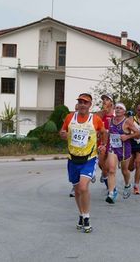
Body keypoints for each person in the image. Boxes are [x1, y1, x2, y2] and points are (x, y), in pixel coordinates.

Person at [60, 93, 107, 233]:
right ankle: (81, 214)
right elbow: (63, 131)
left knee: (83, 186)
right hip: (72, 158)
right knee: (77, 189)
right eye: (80, 102)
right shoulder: (70, 117)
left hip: (89, 158)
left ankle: (86, 217)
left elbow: (104, 132)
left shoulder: (96, 119)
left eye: (85, 102)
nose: (82, 104)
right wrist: (62, 133)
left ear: (89, 105)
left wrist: (103, 144)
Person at [106, 102, 140, 204]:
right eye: (116, 108)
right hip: (113, 148)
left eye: (120, 108)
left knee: (125, 171)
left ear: (124, 111)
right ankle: (111, 193)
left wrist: (128, 136)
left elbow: (138, 134)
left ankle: (127, 185)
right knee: (111, 170)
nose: (118, 110)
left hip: (125, 149)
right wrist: (104, 144)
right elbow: (109, 134)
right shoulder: (111, 121)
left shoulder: (128, 122)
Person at [95, 94, 115, 189]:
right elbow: (94, 126)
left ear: (111, 102)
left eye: (107, 99)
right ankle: (104, 175)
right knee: (101, 164)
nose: (104, 101)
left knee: (109, 167)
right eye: (103, 99)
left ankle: (110, 188)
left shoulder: (116, 114)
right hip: (101, 143)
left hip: (112, 143)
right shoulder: (99, 114)